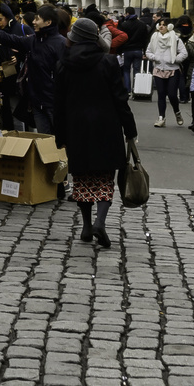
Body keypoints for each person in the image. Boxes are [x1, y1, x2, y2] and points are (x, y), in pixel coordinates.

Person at [52, 16, 137, 249]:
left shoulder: (63, 65)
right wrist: (130, 130)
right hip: (106, 127)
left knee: (82, 178)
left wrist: (60, 136)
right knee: (104, 178)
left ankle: (87, 227)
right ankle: (100, 221)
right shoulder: (108, 63)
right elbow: (121, 100)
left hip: (76, 129)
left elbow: (57, 105)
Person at [0, 4, 69, 133]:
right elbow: (7, 38)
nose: (34, 22)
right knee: (44, 141)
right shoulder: (33, 41)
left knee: (60, 139)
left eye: (37, 19)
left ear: (48, 22)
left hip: (54, 103)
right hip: (37, 103)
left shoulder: (61, 44)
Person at [145, 18, 186, 128]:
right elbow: (148, 52)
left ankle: (177, 112)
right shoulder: (154, 38)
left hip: (172, 70)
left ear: (169, 27)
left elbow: (184, 53)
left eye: (164, 25)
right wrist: (155, 57)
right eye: (160, 25)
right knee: (161, 95)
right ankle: (161, 118)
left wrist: (175, 59)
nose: (161, 27)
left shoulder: (176, 39)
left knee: (172, 94)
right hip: (158, 69)